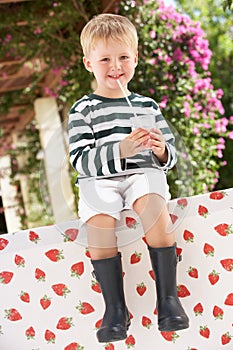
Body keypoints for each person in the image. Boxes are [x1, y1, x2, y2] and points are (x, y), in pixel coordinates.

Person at [68, 13, 189, 343]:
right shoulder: (83, 110)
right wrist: (119, 149)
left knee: (153, 206)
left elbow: (170, 157)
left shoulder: (147, 106)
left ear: (134, 59)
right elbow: (81, 161)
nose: (115, 65)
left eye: (123, 57)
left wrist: (161, 150)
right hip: (100, 179)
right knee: (100, 224)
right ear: (89, 63)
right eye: (105, 58)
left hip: (142, 173)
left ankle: (168, 301)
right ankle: (115, 310)